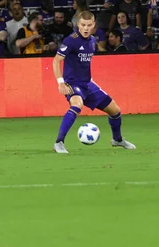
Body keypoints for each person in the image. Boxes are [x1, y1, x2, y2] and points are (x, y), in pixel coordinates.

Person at [52, 10, 136, 153]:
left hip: (88, 84)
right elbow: (56, 61)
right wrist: (61, 82)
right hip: (72, 83)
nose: (85, 28)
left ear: (93, 25)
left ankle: (117, 139)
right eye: (83, 25)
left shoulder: (92, 41)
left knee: (115, 111)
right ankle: (59, 142)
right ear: (78, 24)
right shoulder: (70, 40)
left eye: (89, 25)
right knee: (77, 105)